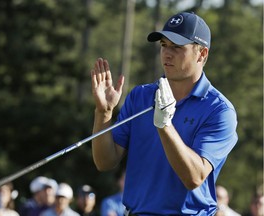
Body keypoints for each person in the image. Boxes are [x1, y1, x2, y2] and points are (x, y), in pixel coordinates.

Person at [90, 11, 238, 215]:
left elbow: (194, 177)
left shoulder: (219, 110)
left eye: (177, 47)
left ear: (202, 54)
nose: (167, 54)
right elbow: (105, 162)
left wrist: (165, 125)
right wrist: (103, 113)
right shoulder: (140, 96)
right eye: (164, 45)